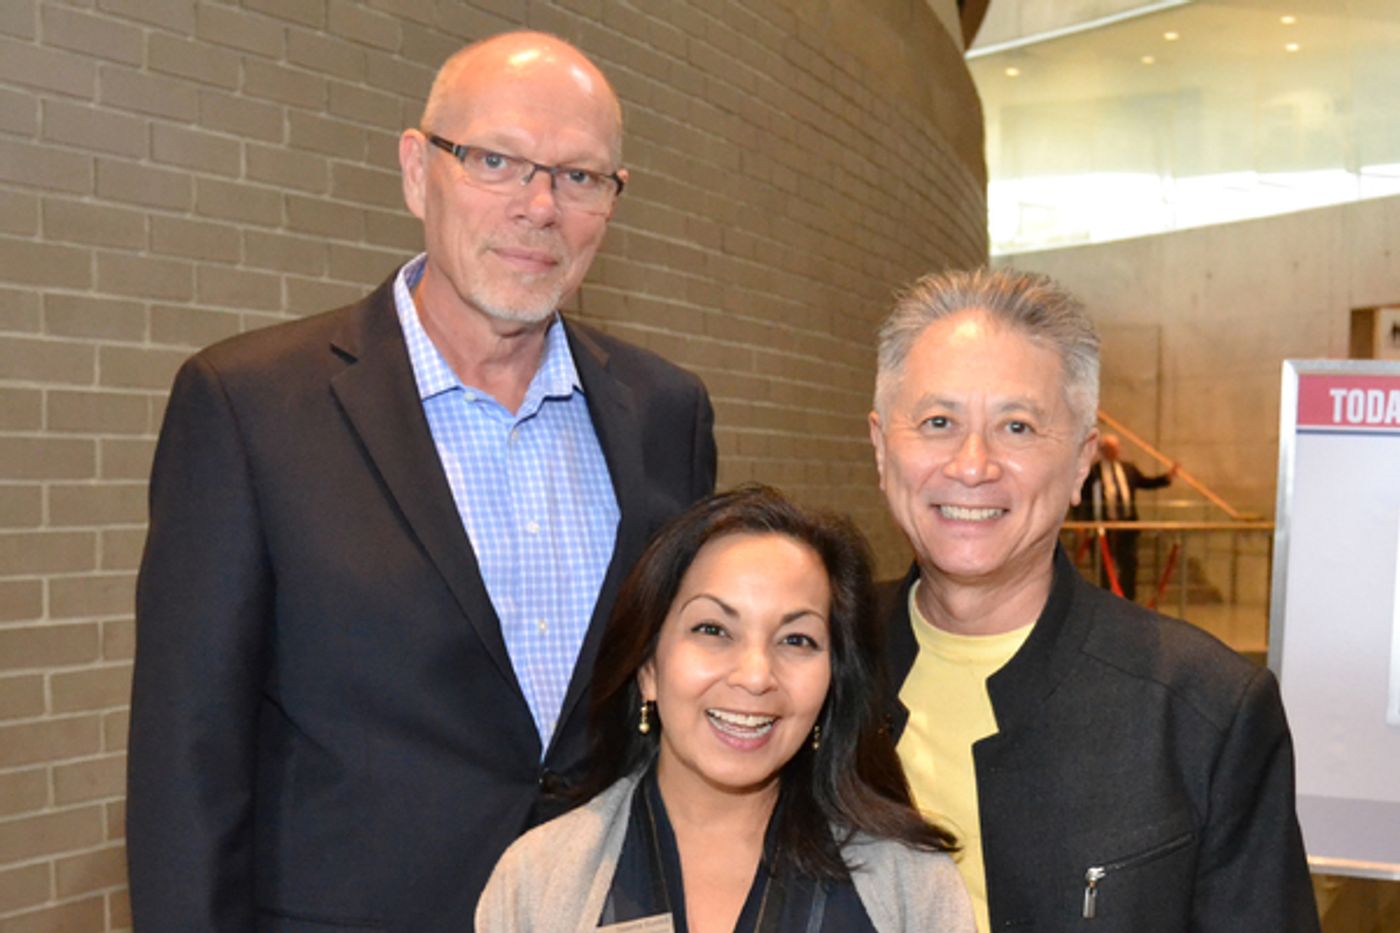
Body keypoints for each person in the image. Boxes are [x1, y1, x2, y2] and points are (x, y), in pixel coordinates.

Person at [126, 32, 717, 932]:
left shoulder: (666, 412)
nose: (540, 207)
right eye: (496, 160)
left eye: (581, 177)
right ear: (416, 170)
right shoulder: (249, 406)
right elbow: (187, 758)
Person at [867, 268, 1317, 932]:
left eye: (1016, 427)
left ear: (1080, 462)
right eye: (938, 420)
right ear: (881, 447)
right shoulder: (812, 663)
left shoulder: (1204, 708)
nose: (971, 463)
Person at [475, 485, 975, 933]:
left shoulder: (910, 884)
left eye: (797, 639)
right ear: (648, 666)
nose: (755, 676)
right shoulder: (538, 880)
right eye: (712, 630)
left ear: (834, 681)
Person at [1076, 433, 1178, 600]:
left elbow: (1145, 482)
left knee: (1130, 563)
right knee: (1103, 567)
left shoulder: (1128, 468)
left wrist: (1166, 478)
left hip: (1127, 525)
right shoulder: (1094, 472)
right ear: (1103, 450)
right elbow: (1083, 498)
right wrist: (1082, 523)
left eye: (1117, 448)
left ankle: (1129, 601)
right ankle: (1105, 601)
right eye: (1110, 448)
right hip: (1104, 527)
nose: (1115, 451)